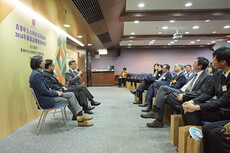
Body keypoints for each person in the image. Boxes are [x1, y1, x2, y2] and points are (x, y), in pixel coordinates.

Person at [180, 47, 230, 153]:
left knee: (210, 130)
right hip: (219, 110)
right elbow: (208, 92)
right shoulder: (217, 74)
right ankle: (194, 145)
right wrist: (192, 102)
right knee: (188, 110)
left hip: (227, 112)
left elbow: (224, 100)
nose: (212, 62)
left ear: (223, 62)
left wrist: (197, 107)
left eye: (214, 60)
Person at [143, 57, 210, 128]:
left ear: (200, 66)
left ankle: (157, 118)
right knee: (162, 91)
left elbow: (201, 92)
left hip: (188, 96)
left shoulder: (206, 76)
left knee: (163, 94)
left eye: (195, 62)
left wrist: (184, 95)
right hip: (180, 91)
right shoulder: (194, 74)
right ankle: (157, 117)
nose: (192, 64)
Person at [29, 56, 93, 126]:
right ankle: (80, 118)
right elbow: (44, 91)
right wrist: (56, 92)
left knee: (71, 94)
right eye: (42, 61)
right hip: (46, 100)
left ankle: (80, 116)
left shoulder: (38, 73)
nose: (44, 62)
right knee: (70, 98)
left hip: (49, 95)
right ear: (38, 63)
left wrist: (59, 90)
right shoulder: (36, 75)